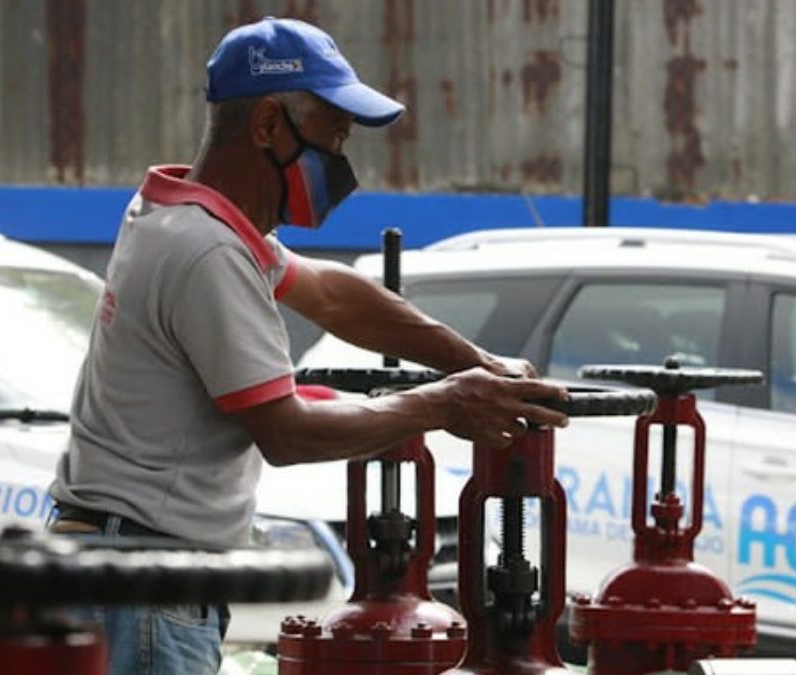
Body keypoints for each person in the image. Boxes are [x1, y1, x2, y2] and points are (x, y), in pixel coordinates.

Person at [47, 16, 569, 675]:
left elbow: (330, 294)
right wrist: (443, 405)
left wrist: (474, 364)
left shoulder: (189, 219)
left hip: (130, 571)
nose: (341, 160)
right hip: (145, 586)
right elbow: (287, 431)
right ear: (268, 125)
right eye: (332, 135)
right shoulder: (205, 249)